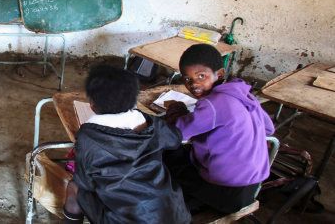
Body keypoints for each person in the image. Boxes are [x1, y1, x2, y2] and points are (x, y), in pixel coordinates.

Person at [64, 65, 191, 224]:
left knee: (74, 189)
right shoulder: (151, 124)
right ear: (134, 101)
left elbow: (85, 182)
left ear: (92, 105)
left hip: (127, 220)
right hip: (174, 216)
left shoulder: (88, 137)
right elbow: (175, 139)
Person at [165, 44, 275, 214]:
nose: (193, 84)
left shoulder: (212, 104)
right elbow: (268, 128)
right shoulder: (243, 93)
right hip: (251, 188)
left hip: (226, 193)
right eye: (187, 79)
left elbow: (177, 133)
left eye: (201, 76)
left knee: (169, 156)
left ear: (220, 73)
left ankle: (182, 205)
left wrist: (175, 110)